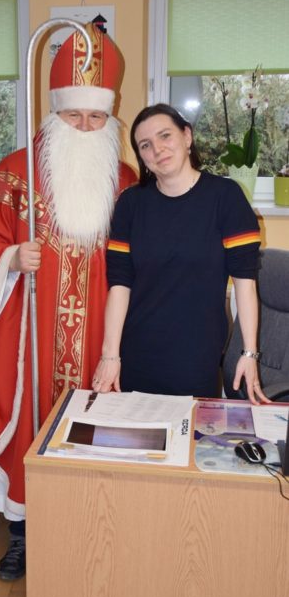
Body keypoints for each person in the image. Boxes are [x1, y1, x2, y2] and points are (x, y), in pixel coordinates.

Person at [0, 22, 137, 581]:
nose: (84, 126)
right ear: (54, 112)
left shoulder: (126, 180)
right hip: (29, 332)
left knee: (97, 427)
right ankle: (23, 531)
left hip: (102, 334)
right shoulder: (18, 172)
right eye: (73, 114)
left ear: (110, 117)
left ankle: (88, 525)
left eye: (96, 117)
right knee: (32, 422)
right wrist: (11, 256)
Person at [92, 103, 270, 405]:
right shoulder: (130, 204)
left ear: (187, 136)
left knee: (187, 430)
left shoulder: (226, 197)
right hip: (137, 352)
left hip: (196, 355)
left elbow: (245, 282)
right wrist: (110, 355)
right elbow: (120, 284)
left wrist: (249, 353)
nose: (157, 149)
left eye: (165, 136)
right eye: (145, 145)